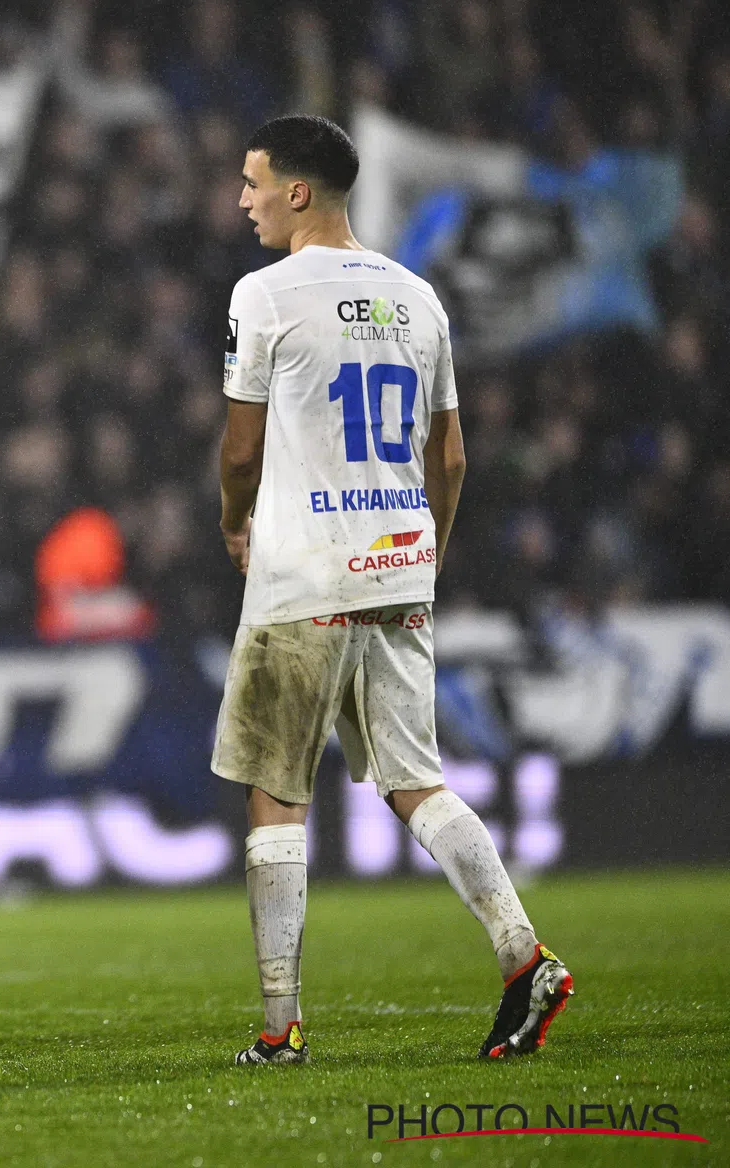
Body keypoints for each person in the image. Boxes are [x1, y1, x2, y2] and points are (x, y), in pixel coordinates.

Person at [213, 114, 572, 1066]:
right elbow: (449, 452)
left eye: (253, 184)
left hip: (304, 573)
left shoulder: (267, 293)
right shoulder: (418, 298)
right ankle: (521, 953)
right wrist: (432, 549)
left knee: (275, 793)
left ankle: (280, 1028)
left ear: (298, 191)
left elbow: (241, 445)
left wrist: (232, 518)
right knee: (417, 783)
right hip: (399, 562)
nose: (243, 200)